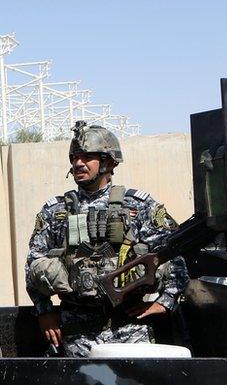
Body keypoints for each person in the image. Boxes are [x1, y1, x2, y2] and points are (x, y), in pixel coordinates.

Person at [25, 121, 189, 357]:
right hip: (75, 332)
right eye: (74, 157)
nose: (78, 163)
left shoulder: (139, 206)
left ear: (109, 162)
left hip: (130, 330)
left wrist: (165, 302)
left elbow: (175, 256)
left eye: (87, 157)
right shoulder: (55, 211)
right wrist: (44, 312)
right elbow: (34, 262)